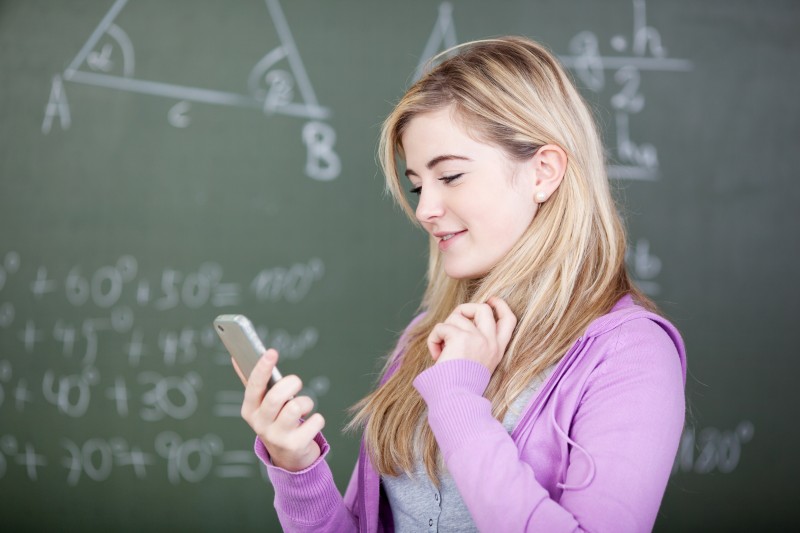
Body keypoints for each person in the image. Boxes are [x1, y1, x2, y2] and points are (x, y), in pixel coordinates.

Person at [232, 36, 686, 532]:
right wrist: (297, 468)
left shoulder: (631, 354)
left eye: (449, 176)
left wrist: (456, 398)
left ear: (544, 172)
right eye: (417, 184)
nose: (425, 209)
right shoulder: (429, 335)